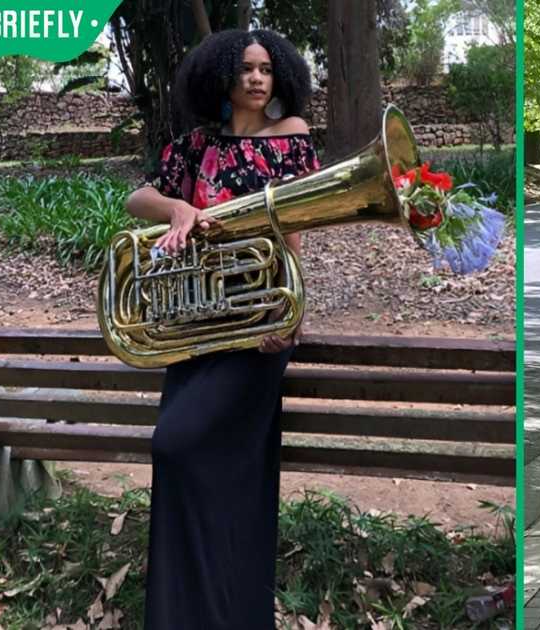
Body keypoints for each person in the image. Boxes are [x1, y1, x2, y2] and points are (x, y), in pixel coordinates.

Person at [122, 28, 321, 629]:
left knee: (180, 446)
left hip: (256, 328)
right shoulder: (195, 145)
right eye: (245, 69)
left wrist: (292, 312)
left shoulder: (292, 136)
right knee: (187, 464)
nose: (256, 79)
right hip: (194, 327)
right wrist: (177, 207)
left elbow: (293, 231)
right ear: (222, 78)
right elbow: (137, 199)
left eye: (266, 69)